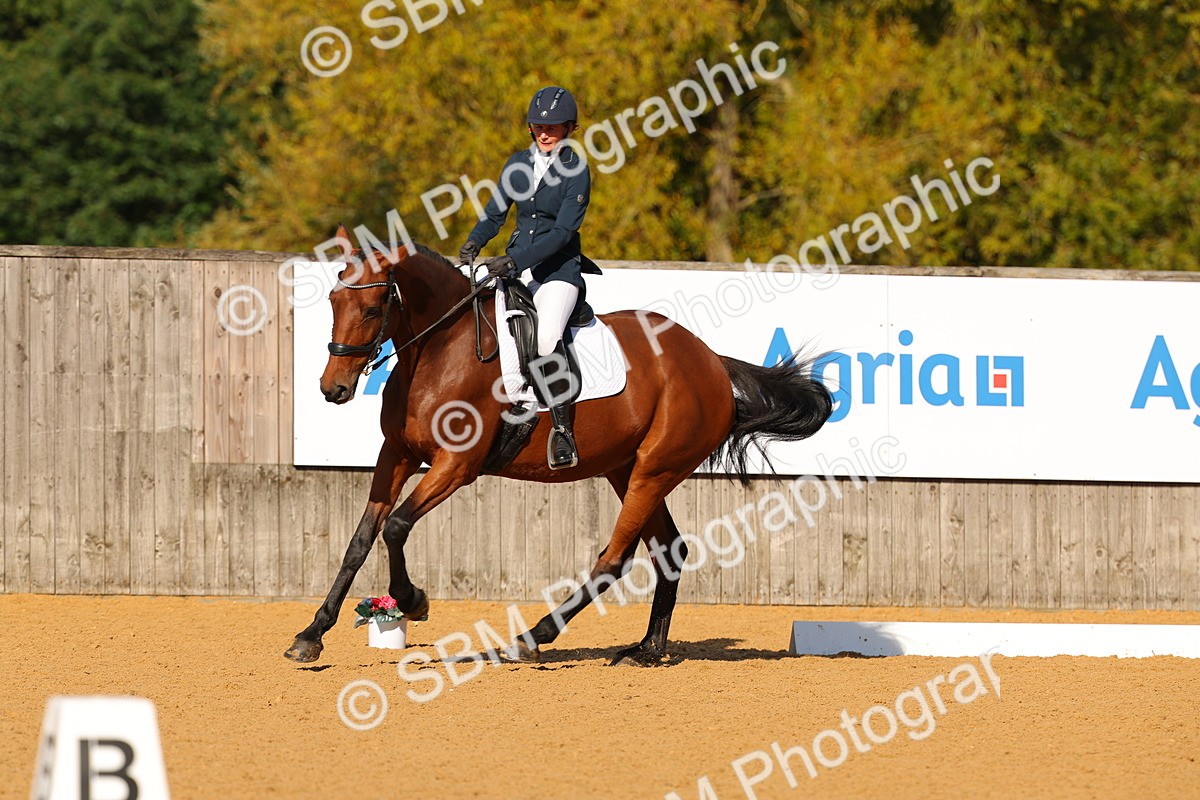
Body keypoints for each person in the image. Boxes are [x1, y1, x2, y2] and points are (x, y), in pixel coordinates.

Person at [458, 86, 601, 470]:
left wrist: (515, 259)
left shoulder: (577, 170)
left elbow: (562, 234)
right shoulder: (516, 164)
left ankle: (561, 432)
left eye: (553, 126)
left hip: (558, 273)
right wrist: (473, 241)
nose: (544, 132)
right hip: (516, 267)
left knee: (547, 337)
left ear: (570, 128)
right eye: (539, 125)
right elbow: (494, 214)